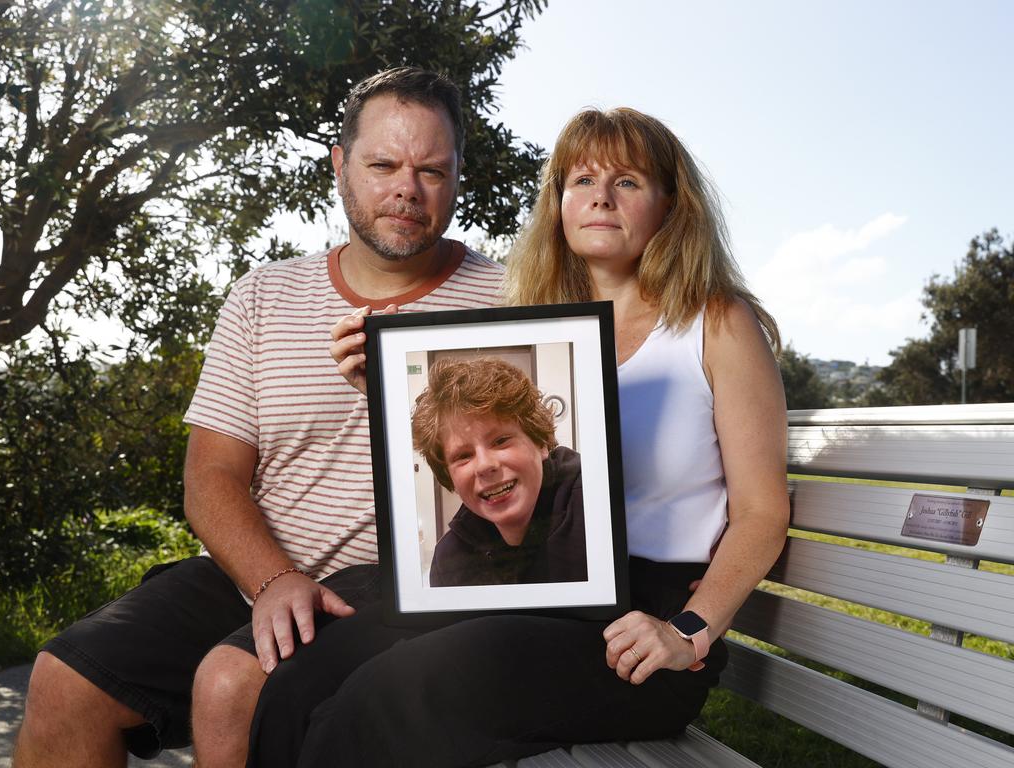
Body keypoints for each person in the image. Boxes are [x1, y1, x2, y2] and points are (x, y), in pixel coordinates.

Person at [246, 106, 789, 767]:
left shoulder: (716, 322)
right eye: (581, 180)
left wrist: (690, 632)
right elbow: (463, 445)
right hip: (531, 595)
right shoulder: (530, 324)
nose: (600, 197)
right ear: (558, 201)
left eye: (627, 181)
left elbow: (763, 513)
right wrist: (382, 386)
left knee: (390, 696)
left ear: (670, 203)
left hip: (642, 629)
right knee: (300, 683)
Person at [12, 66, 504, 768]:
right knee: (62, 683)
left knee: (239, 688)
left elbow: (526, 467)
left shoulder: (513, 299)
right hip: (251, 572)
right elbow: (211, 476)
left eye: (432, 169)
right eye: (383, 164)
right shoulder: (262, 297)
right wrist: (272, 580)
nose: (407, 188)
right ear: (340, 166)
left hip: (400, 589)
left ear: (458, 175)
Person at [411, 356, 587, 587]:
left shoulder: (598, 503)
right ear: (449, 476)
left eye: (501, 441)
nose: (485, 465)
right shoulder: (449, 561)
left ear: (541, 443)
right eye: (463, 456)